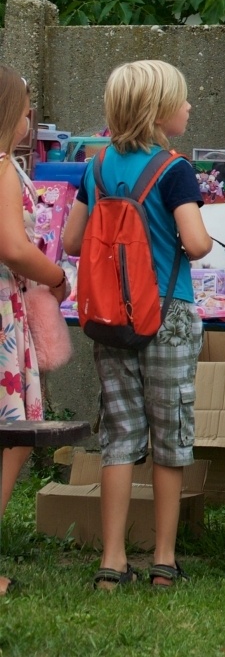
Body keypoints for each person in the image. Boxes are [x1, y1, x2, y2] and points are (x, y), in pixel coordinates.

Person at [61, 60, 212, 590]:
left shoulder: (97, 167)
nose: (189, 106)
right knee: (169, 437)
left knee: (120, 436)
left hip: (112, 319)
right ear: (157, 110)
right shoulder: (174, 170)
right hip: (168, 316)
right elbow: (196, 243)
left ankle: (112, 561)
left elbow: (72, 242)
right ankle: (164, 560)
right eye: (182, 99)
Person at [0, 68, 73, 597]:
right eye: (26, 105)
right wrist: (56, 276)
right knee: (15, 435)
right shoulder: (2, 168)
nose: (31, 114)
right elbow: (12, 246)